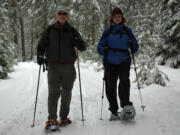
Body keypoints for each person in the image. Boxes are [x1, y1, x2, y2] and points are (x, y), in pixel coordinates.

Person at [37, 7, 86, 130]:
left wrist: (78, 43)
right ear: (56, 15)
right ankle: (52, 119)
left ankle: (64, 117)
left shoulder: (72, 31)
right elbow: (41, 45)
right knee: (53, 92)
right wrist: (40, 56)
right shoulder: (49, 30)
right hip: (53, 66)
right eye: (60, 13)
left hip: (69, 66)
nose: (62, 15)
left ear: (67, 16)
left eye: (64, 14)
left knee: (66, 92)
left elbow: (83, 46)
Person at [97, 7, 139, 121]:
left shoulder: (127, 30)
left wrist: (132, 44)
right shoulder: (108, 30)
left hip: (124, 60)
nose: (117, 18)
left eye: (119, 16)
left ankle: (126, 106)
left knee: (124, 82)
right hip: (110, 61)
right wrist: (102, 49)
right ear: (112, 18)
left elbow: (135, 47)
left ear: (122, 17)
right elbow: (99, 46)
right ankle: (114, 111)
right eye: (115, 16)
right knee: (110, 85)